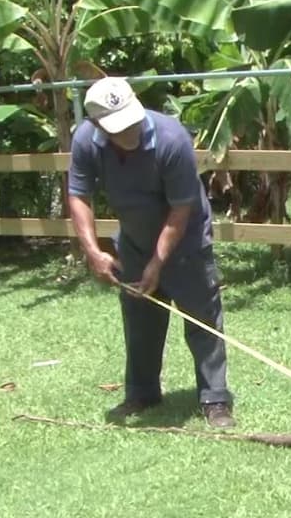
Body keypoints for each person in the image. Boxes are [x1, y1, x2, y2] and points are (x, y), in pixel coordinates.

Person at [66, 76, 236, 428]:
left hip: (186, 239)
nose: (129, 132)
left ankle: (215, 399)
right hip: (134, 241)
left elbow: (180, 210)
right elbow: (78, 195)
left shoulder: (171, 139)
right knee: (140, 320)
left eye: (130, 121)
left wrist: (158, 263)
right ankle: (142, 392)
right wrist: (94, 251)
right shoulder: (85, 141)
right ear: (97, 124)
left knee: (202, 321)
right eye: (118, 127)